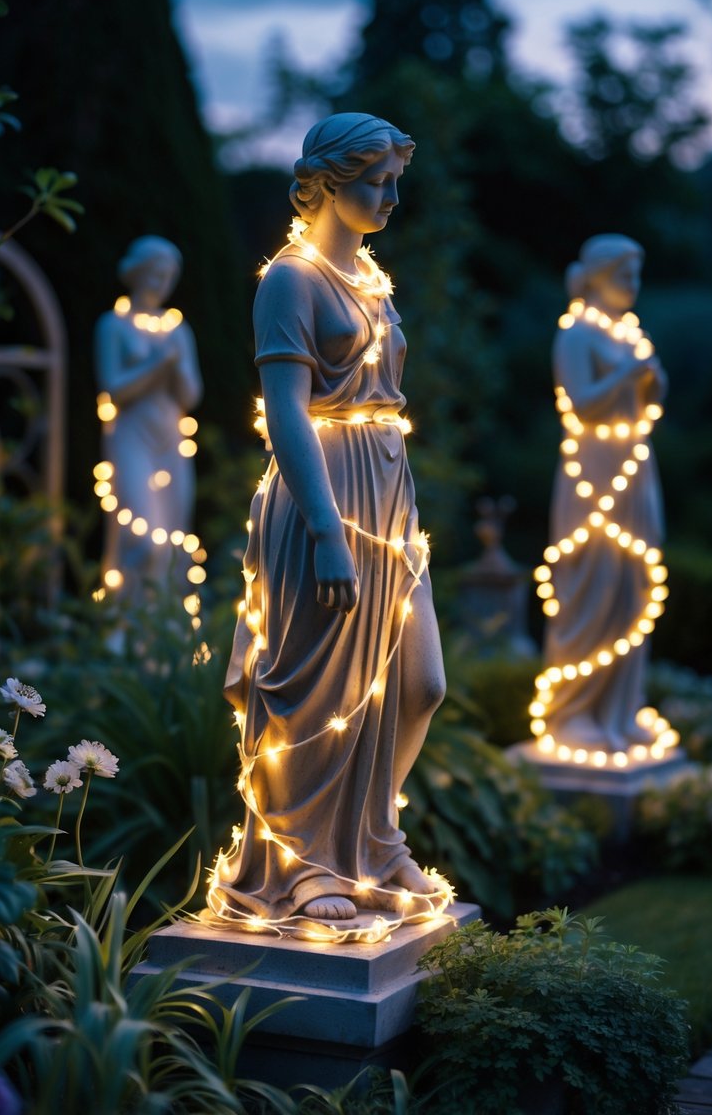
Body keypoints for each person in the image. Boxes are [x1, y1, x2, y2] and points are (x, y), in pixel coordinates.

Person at [209, 113, 447, 928]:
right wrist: (322, 532)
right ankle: (299, 862)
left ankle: (374, 843)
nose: (387, 197)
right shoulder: (290, 280)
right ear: (326, 182)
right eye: (373, 182)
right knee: (307, 691)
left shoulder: (371, 278)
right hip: (322, 491)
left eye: (392, 183)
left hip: (387, 484)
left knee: (415, 684)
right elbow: (283, 412)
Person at [534, 234, 668, 753]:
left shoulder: (629, 332)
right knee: (591, 583)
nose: (633, 286)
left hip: (635, 463)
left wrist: (651, 380)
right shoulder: (576, 334)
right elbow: (582, 402)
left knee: (635, 582)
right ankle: (573, 714)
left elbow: (652, 398)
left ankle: (620, 710)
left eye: (637, 276)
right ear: (595, 277)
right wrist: (628, 373)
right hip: (592, 467)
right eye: (624, 275)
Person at [94, 236, 203, 602]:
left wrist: (175, 368)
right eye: (156, 273)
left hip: (171, 436)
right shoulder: (113, 325)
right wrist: (158, 363)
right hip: (131, 435)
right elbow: (113, 388)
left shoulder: (178, 329)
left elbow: (191, 395)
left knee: (174, 538)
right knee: (142, 537)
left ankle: (166, 630)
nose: (162, 282)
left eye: (169, 275)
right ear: (137, 273)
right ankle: (127, 624)